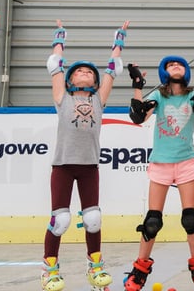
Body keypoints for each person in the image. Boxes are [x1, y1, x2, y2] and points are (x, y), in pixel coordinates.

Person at [41, 19, 128, 291]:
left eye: (89, 72)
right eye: (78, 71)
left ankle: (95, 266)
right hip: (63, 166)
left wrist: (119, 41)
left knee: (93, 218)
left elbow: (112, 70)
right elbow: (55, 65)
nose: (84, 73)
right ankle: (49, 269)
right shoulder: (62, 98)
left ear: (95, 81)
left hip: (89, 166)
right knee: (60, 220)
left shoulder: (98, 100)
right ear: (70, 79)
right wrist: (60, 37)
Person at [122, 55, 194, 291]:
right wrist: (137, 87)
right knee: (152, 221)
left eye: (180, 64)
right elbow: (138, 117)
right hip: (161, 163)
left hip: (186, 163)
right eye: (170, 65)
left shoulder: (192, 96)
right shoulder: (158, 96)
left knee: (191, 219)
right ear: (164, 72)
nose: (175, 66)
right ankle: (139, 269)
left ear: (186, 71)